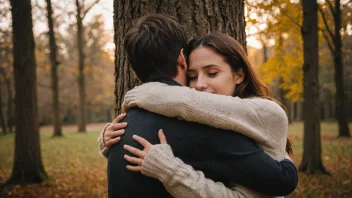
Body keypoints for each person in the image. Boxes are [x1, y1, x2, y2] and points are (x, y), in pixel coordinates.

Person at [102, 14, 297, 198]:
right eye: (193, 76)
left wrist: (170, 171)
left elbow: (284, 180)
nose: (200, 84)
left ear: (239, 74)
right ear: (182, 60)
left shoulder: (263, 113)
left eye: (212, 73)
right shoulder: (198, 124)